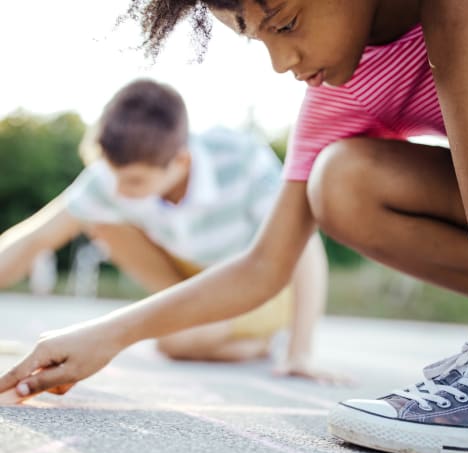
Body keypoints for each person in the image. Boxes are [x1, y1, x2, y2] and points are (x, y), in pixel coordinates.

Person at [1, 0, 468, 453]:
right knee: (341, 184)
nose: (280, 62)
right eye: (259, 39)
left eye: (285, 23)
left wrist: (299, 349)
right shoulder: (335, 95)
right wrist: (107, 335)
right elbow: (264, 265)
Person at [0, 78, 330, 379]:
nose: (116, 190)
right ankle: (211, 331)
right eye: (112, 176)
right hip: (191, 276)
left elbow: (305, 247)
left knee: (176, 341)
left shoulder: (242, 159)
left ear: (181, 161)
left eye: (134, 181)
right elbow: (35, 237)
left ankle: (258, 341)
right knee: (97, 218)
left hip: (254, 280)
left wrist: (300, 352)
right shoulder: (115, 175)